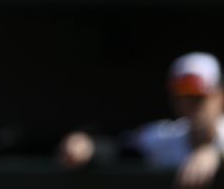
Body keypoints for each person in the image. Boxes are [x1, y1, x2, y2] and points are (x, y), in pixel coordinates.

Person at [57, 52, 224, 189]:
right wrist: (88, 146)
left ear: (219, 97)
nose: (188, 105)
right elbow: (118, 147)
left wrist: (215, 152)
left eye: (198, 98)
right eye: (182, 98)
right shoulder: (167, 136)